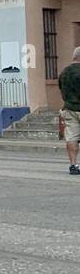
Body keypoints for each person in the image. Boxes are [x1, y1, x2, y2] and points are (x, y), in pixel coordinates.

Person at [59, 46, 80, 176]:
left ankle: (73, 165)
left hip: (69, 108)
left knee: (71, 137)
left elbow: (62, 89)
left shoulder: (64, 72)